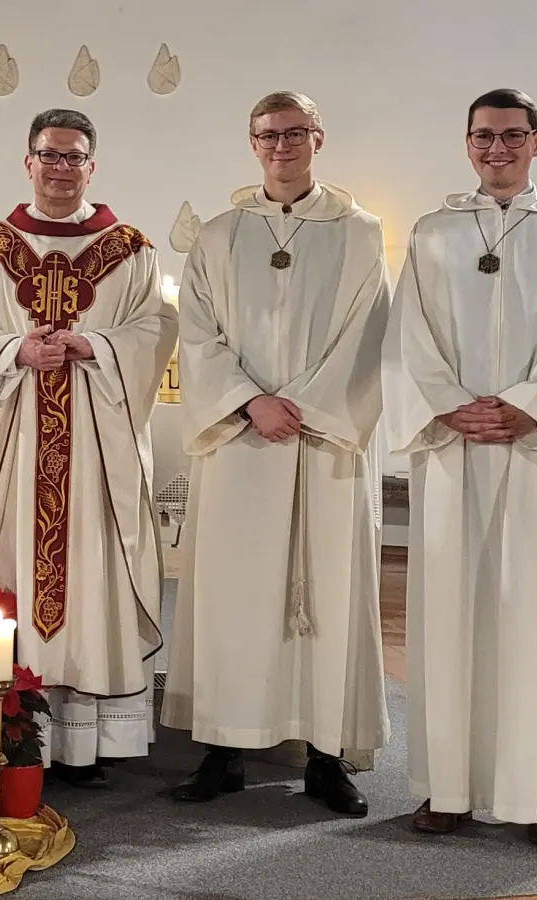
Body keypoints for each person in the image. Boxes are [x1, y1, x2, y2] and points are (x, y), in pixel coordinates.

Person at [383, 88, 537, 846]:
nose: (497, 149)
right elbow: (407, 336)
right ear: (467, 142)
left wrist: (530, 406)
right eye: (484, 136)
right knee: (452, 617)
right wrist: (450, 405)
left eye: (512, 136)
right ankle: (449, 789)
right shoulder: (433, 231)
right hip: (456, 454)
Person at [159, 91, 390, 817]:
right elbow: (195, 332)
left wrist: (309, 407)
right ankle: (224, 749)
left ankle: (327, 757)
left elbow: (369, 333)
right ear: (251, 143)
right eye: (267, 135)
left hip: (324, 444)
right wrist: (249, 401)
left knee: (328, 593)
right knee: (231, 592)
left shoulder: (359, 233)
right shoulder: (220, 234)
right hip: (241, 439)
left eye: (294, 133)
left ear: (318, 137)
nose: (281, 146)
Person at [0, 108, 177, 788]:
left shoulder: (129, 249)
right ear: (28, 162)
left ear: (91, 167)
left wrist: (89, 344)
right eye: (49, 154)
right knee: (16, 571)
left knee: (92, 573)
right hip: (16, 445)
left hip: (95, 453)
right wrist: (15, 348)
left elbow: (154, 330)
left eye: (74, 157)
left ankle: (87, 739)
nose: (61, 167)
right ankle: (15, 730)